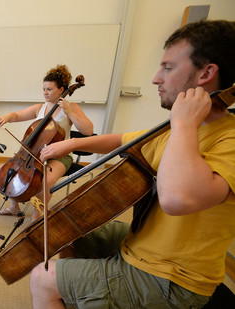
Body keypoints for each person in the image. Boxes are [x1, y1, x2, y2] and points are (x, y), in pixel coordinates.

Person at [30, 20, 235, 309]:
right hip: (141, 245)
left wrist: (184, 124)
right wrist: (72, 143)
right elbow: (121, 140)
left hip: (171, 279)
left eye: (167, 67)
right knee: (67, 234)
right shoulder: (176, 131)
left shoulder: (227, 138)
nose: (155, 78)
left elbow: (177, 198)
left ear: (206, 73)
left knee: (41, 278)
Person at [0, 64, 94, 221]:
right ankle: (14, 206)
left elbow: (88, 130)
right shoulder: (40, 108)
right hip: (37, 154)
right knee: (14, 171)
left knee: (45, 181)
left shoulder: (71, 107)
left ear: (61, 90)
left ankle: (38, 215)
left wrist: (69, 112)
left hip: (60, 156)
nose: (45, 93)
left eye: (49, 89)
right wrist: (6, 118)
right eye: (43, 89)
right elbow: (17, 115)